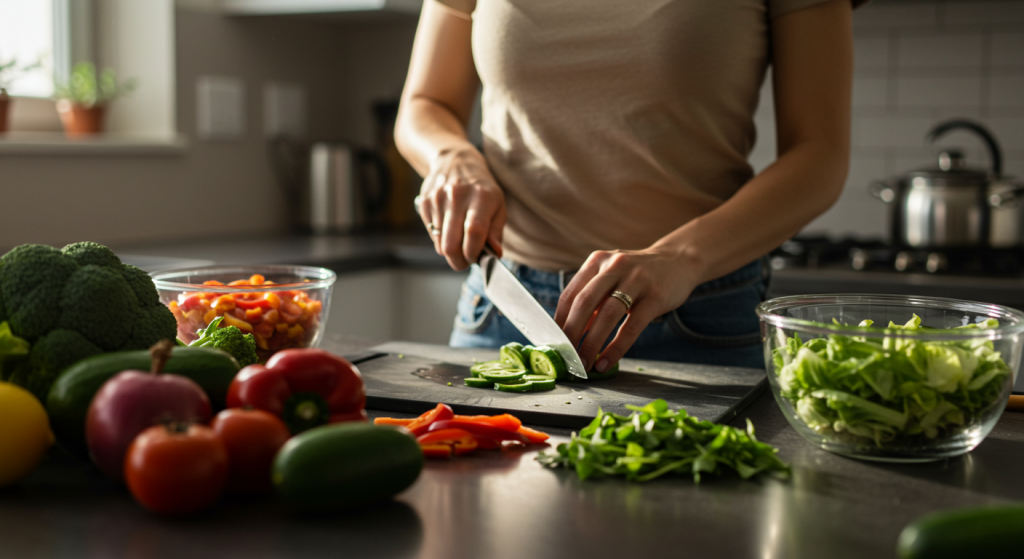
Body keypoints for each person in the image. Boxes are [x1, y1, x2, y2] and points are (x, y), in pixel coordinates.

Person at [395, 0, 861, 371]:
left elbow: (819, 155)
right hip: (504, 310)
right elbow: (426, 102)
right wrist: (452, 158)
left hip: (698, 320)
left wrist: (680, 258)